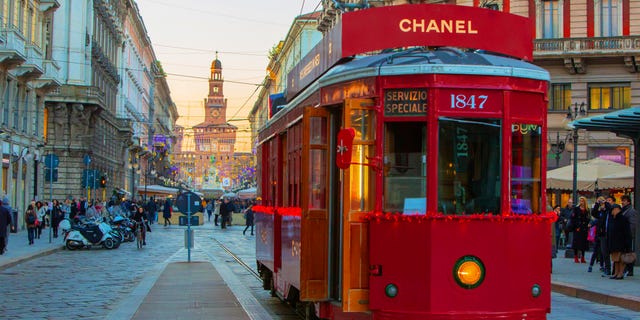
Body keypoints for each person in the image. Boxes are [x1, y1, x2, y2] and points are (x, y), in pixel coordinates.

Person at [607, 204, 632, 280]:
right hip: (613, 242)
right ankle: (616, 273)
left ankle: (620, 273)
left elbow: (627, 232)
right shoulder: (612, 218)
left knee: (621, 259)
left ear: (617, 209)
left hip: (621, 242)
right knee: (615, 259)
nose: (611, 211)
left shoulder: (623, 219)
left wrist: (628, 243)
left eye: (612, 209)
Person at [588, 196, 610, 272]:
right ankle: (591, 265)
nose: (602, 205)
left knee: (603, 252)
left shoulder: (607, 212)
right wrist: (597, 203)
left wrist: (605, 202)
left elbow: (609, 208)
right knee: (596, 250)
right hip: (598, 234)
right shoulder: (600, 212)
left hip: (604, 234)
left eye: (602, 203)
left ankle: (603, 266)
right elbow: (593, 213)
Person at [568, 196, 591, 263]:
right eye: (580, 201)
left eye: (582, 201)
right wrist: (576, 226)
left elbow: (588, 218)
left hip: (584, 228)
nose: (581, 202)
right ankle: (576, 257)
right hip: (578, 228)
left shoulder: (587, 209)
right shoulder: (576, 209)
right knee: (576, 242)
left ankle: (583, 257)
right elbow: (573, 218)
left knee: (583, 243)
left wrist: (588, 224)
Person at [620, 195, 637, 277]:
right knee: (625, 252)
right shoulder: (623, 210)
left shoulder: (631, 211)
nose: (622, 202)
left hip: (628, 235)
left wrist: (629, 235)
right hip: (623, 235)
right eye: (622, 200)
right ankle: (625, 269)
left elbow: (632, 224)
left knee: (628, 253)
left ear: (628, 202)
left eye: (624, 201)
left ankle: (630, 269)